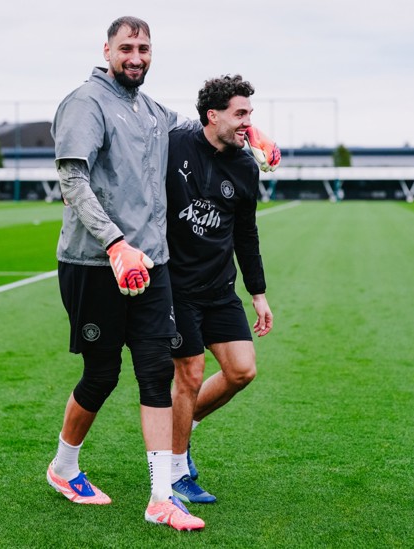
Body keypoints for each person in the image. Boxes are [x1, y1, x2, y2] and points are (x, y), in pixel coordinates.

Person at [46, 15, 208, 531]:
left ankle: (161, 498)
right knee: (102, 374)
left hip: (152, 264)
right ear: (108, 51)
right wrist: (116, 244)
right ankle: (63, 468)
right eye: (127, 48)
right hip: (95, 263)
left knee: (156, 371)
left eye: (144, 48)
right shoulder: (86, 103)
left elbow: (197, 128)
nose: (136, 57)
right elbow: (73, 179)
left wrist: (247, 131)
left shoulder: (152, 110)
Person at [164, 75, 277, 505]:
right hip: (175, 287)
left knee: (241, 370)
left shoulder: (246, 166)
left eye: (250, 113)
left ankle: (181, 428)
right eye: (240, 113)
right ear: (213, 115)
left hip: (219, 287)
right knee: (189, 374)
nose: (249, 122)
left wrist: (258, 293)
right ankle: (176, 472)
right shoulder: (174, 145)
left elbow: (246, 234)